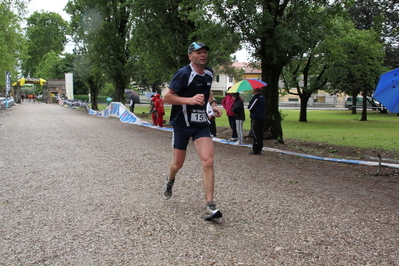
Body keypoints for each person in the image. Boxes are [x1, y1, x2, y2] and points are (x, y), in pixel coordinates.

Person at [162, 41, 223, 221]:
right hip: (181, 125)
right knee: (177, 164)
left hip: (200, 125)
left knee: (208, 161)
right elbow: (166, 97)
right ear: (190, 56)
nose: (202, 55)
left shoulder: (209, 73)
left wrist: (212, 104)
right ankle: (170, 181)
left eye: (204, 52)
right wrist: (189, 100)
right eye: (198, 52)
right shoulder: (183, 74)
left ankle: (210, 205)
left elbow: (207, 90)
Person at [248, 87, 265, 155]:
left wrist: (249, 105)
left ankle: (256, 149)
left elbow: (250, 107)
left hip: (256, 117)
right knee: (260, 133)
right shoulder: (263, 97)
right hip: (262, 117)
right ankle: (260, 147)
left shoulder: (256, 98)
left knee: (255, 133)